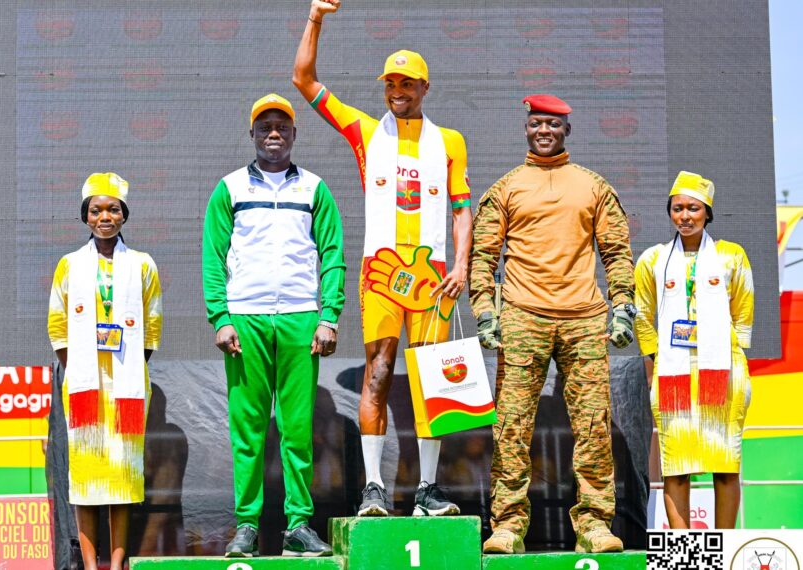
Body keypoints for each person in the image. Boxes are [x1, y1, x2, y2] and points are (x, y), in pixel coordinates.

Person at [293, 0, 473, 518]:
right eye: (390, 84)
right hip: (383, 276)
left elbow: (463, 209)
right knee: (378, 371)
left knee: (434, 379)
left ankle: (428, 490)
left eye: (406, 84)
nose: (396, 92)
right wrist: (316, 17)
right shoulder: (367, 133)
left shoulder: (449, 142)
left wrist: (461, 265)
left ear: (424, 88)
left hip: (435, 278)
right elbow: (304, 79)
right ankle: (373, 488)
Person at [468, 94, 635, 554]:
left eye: (553, 125)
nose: (544, 131)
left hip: (584, 317)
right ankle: (507, 525)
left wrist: (622, 306)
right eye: (537, 123)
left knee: (593, 426)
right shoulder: (506, 188)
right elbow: (482, 257)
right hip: (522, 315)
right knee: (512, 425)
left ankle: (596, 524)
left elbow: (617, 253)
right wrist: (485, 311)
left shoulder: (593, 186)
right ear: (526, 128)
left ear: (566, 130)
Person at [202, 93, 346, 557]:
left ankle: (298, 525)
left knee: (298, 429)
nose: (273, 134)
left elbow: (332, 256)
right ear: (252, 134)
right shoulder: (229, 189)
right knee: (248, 430)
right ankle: (246, 526)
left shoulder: (315, 189)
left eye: (282, 126)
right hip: (245, 320)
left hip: (301, 320)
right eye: (264, 126)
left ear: (294, 134)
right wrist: (221, 317)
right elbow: (212, 257)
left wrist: (328, 316)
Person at [48, 172, 163, 570]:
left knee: (122, 477)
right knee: (85, 478)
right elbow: (57, 325)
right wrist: (81, 367)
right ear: (85, 217)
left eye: (113, 209)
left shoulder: (143, 265)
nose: (105, 217)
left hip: (127, 387)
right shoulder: (70, 265)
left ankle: (116, 563)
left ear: (124, 215)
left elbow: (152, 324)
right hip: (83, 387)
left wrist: (127, 368)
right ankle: (90, 562)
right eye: (96, 210)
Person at [634, 171, 754, 529]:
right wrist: (655, 362)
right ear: (670, 212)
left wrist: (733, 357)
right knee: (677, 462)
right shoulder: (653, 260)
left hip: (724, 372)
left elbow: (743, 310)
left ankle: (726, 546)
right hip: (673, 373)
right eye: (677, 208)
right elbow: (642, 314)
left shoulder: (731, 256)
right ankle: (684, 549)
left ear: (707, 213)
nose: (685, 216)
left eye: (693, 208)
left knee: (725, 461)